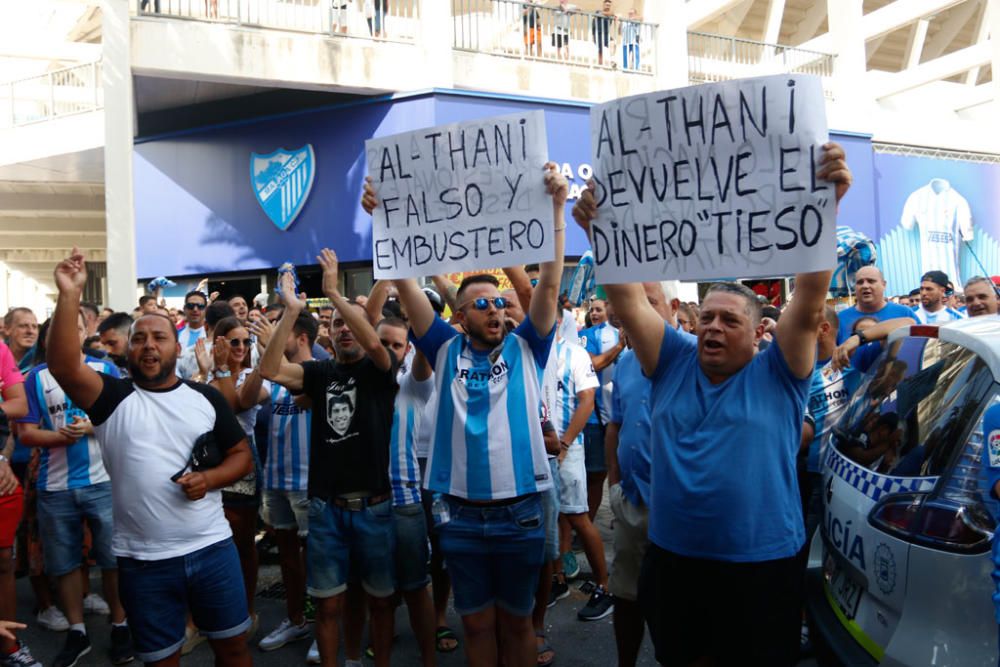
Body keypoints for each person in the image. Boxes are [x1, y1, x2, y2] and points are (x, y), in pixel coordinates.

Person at [571, 142, 851, 666]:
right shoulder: (673, 360)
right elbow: (630, 299)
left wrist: (825, 205)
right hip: (676, 563)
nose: (714, 327)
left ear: (757, 332)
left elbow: (811, 294)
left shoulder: (781, 371)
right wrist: (598, 230)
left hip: (761, 566)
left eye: (730, 320)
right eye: (708, 318)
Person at [366, 162, 567, 667]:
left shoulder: (528, 347)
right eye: (482, 304)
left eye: (500, 302)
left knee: (517, 623)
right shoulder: (444, 346)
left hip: (521, 509)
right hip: (456, 513)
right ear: (459, 316)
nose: (496, 309)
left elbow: (545, 287)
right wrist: (384, 219)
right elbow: (407, 284)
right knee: (476, 623)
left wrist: (557, 212)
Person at [46, 249, 254, 667]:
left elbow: (241, 456)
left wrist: (210, 480)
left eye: (159, 337)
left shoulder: (206, 398)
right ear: (127, 349)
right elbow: (64, 366)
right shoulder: (112, 397)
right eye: (138, 338)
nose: (148, 345)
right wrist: (69, 295)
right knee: (161, 660)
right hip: (143, 563)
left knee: (233, 650)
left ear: (178, 348)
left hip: (212, 551)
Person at [259, 250, 398, 667]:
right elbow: (270, 370)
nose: (344, 330)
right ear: (328, 334)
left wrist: (336, 295)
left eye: (349, 323)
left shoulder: (379, 370)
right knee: (330, 606)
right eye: (336, 325)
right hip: (325, 510)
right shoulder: (320, 374)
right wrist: (293, 311)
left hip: (374, 506)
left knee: (378, 603)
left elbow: (374, 340)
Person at [18, 311, 132, 667]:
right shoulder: (35, 377)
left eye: (76, 328)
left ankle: (120, 624)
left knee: (114, 561)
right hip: (55, 487)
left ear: (86, 333)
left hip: (104, 482)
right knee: (63, 564)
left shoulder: (107, 370)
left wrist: (91, 429)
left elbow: (126, 423)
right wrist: (59, 436)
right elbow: (25, 432)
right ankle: (77, 631)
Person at [605, 282, 683, 667]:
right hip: (634, 503)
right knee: (627, 596)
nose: (636, 312)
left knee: (681, 610)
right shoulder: (624, 362)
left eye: (647, 303)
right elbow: (615, 426)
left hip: (683, 511)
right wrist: (615, 485)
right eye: (630, 304)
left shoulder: (699, 356)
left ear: (675, 307)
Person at [249, 313, 316, 652]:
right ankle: (297, 620)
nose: (272, 335)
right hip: (276, 480)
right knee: (288, 557)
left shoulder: (320, 369)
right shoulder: (273, 373)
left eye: (281, 331)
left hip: (309, 481)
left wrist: (268, 350)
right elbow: (248, 398)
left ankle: (324, 627)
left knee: (316, 559)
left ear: (301, 336)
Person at [378, 316, 436, 667]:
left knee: (416, 589)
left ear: (408, 349)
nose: (389, 349)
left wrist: (419, 324)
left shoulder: (412, 386)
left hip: (404, 504)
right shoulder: (356, 382)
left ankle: (428, 660)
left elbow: (423, 359)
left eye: (397, 344)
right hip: (366, 505)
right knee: (379, 595)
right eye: (382, 341)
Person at [548, 314, 614, 622]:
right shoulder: (523, 349)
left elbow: (587, 399)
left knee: (577, 517)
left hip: (566, 448)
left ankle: (604, 585)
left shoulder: (574, 353)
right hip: (534, 452)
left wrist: (563, 444)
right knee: (551, 517)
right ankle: (557, 578)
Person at [578, 297, 622, 520]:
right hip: (596, 418)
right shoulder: (588, 335)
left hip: (628, 416)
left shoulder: (633, 329)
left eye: (599, 309)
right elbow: (593, 364)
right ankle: (584, 523)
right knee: (594, 474)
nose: (594, 313)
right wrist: (621, 345)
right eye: (591, 310)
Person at [835, 266, 914, 343]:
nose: (865, 286)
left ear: (884, 284)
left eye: (871, 281)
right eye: (860, 282)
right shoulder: (840, 319)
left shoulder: (904, 313)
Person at [3, 310, 37, 374]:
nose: (30, 331)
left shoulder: (45, 361)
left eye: (34, 327)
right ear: (7, 329)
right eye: (23, 326)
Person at [592, 0, 615, 66]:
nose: (608, 6)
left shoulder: (611, 14)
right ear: (603, 5)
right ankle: (600, 64)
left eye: (609, 5)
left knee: (612, 43)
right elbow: (594, 23)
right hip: (598, 34)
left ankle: (612, 60)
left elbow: (612, 14)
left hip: (606, 34)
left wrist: (614, 15)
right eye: (607, 5)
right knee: (600, 50)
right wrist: (593, 35)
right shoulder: (598, 12)